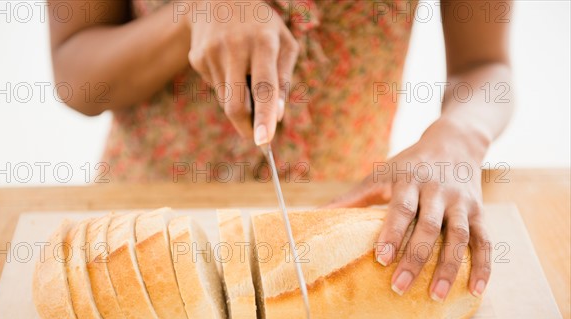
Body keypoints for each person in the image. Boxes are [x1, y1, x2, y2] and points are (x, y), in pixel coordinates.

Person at [48, 0, 512, 302]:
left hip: (346, 214)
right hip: (144, 217)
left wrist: (461, 135)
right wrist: (189, 16)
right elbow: (74, 72)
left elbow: (485, 65)